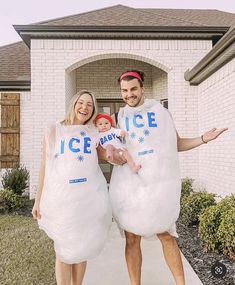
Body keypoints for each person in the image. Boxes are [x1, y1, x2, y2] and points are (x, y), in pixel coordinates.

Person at [107, 70, 228, 285]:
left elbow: (176, 144)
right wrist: (115, 156)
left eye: (133, 89)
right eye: (124, 91)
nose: (129, 95)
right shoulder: (118, 118)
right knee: (132, 238)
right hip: (130, 187)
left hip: (157, 186)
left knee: (167, 235)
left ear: (142, 88)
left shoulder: (161, 112)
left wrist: (203, 139)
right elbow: (114, 152)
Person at [32, 90, 112, 285]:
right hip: (62, 200)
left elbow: (106, 153)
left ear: (93, 110)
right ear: (74, 104)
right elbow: (45, 166)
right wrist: (37, 200)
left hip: (87, 199)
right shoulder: (55, 129)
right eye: (81, 103)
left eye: (90, 105)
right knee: (63, 248)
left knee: (81, 248)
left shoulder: (93, 132)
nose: (84, 107)